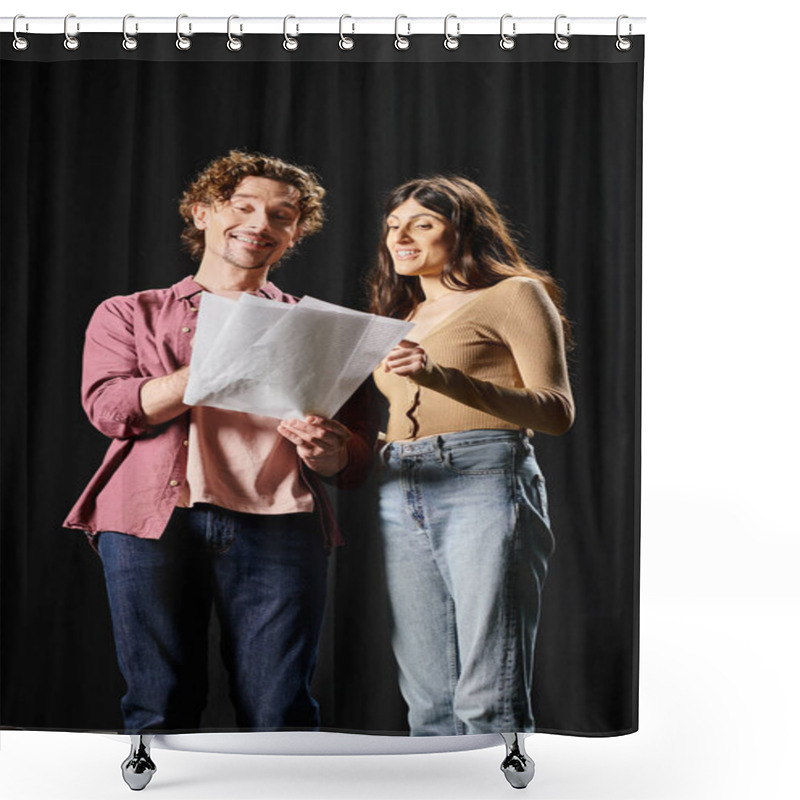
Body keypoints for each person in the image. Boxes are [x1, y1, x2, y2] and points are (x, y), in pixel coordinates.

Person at [64, 150, 377, 734]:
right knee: (158, 707)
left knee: (281, 713)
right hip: (151, 523)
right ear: (202, 212)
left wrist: (328, 451)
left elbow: (353, 461)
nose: (261, 224)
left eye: (282, 216)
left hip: (282, 523)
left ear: (295, 234)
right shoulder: (130, 313)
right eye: (244, 207)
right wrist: (210, 364)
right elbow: (110, 409)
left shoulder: (325, 329)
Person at [370, 175, 575, 736]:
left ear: (463, 231)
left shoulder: (513, 294)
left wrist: (441, 376)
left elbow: (556, 410)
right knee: (428, 702)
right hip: (401, 483)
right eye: (393, 226)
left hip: (482, 476)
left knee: (488, 694)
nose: (401, 238)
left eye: (422, 224)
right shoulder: (398, 317)